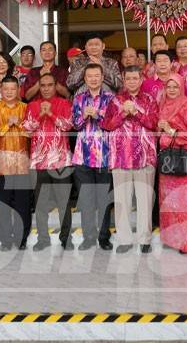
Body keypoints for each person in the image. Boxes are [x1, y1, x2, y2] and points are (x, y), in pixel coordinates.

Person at [103, 66, 159, 253]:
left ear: (141, 79)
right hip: (121, 156)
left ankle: (145, 240)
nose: (132, 81)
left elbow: (154, 124)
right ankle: (125, 239)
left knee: (145, 200)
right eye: (129, 78)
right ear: (124, 80)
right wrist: (122, 114)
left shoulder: (149, 100)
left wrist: (136, 113)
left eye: (136, 78)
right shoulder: (116, 100)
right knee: (122, 200)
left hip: (145, 156)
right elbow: (107, 125)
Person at [22, 73, 74, 251]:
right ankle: (43, 239)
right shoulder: (32, 105)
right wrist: (39, 116)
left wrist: (50, 113)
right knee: (40, 204)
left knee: (64, 203)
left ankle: (66, 239)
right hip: (38, 163)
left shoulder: (64, 103)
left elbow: (68, 125)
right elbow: (27, 130)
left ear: (55, 86)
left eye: (49, 85)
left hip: (61, 161)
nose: (45, 88)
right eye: (42, 85)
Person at [157, 74, 187, 254]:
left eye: (175, 87)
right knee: (171, 201)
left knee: (186, 202)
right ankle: (173, 239)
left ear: (182, 87)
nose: (171, 90)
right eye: (169, 86)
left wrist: (171, 131)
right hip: (170, 159)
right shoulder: (163, 104)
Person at [71, 63, 115, 251]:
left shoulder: (111, 99)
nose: (93, 79)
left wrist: (96, 114)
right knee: (86, 200)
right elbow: (75, 123)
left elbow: (113, 123)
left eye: (97, 75)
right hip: (83, 157)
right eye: (90, 76)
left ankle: (104, 236)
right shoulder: (79, 98)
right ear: (85, 79)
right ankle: (88, 237)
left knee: (104, 199)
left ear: (102, 77)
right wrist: (84, 116)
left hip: (105, 156)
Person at [0, 76, 32, 250]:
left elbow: (33, 133)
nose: (9, 92)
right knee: (4, 204)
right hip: (1, 166)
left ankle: (21, 238)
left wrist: (21, 126)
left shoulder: (26, 108)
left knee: (23, 203)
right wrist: (7, 125)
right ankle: (5, 240)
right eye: (6, 89)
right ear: (1, 91)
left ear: (18, 90)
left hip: (23, 164)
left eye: (13, 89)